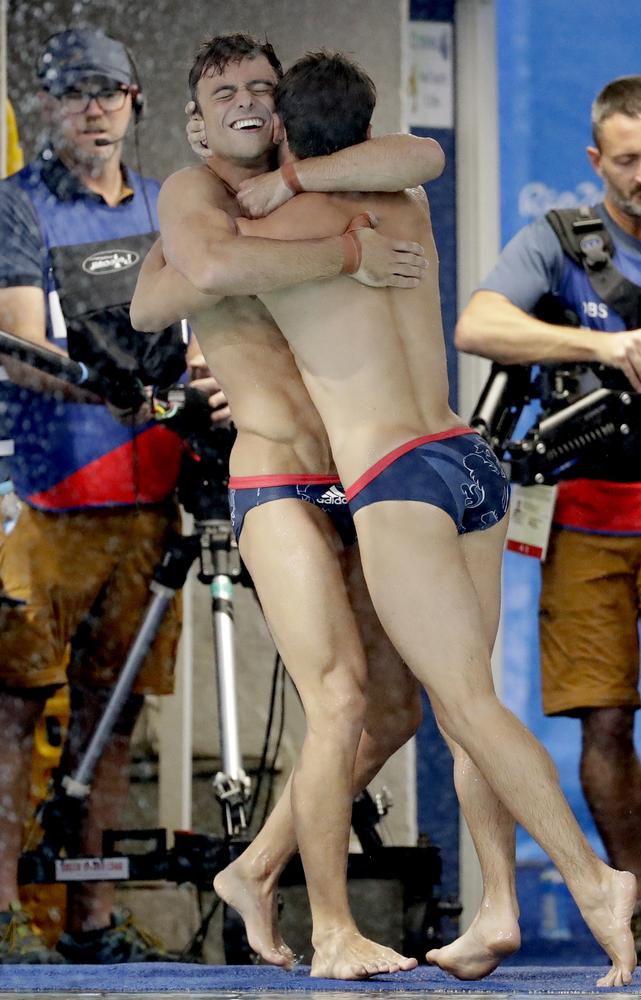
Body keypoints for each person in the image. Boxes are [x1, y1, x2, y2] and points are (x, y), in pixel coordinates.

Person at [150, 50, 638, 988]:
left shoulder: (275, 223)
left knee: (463, 706)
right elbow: (416, 159)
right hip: (470, 458)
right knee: (463, 707)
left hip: (393, 477)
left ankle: (589, 879)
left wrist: (275, 200)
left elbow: (178, 284)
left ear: (285, 128)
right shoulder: (398, 204)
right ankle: (496, 906)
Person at [130, 32, 492, 981]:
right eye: (225, 90)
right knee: (334, 700)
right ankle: (331, 928)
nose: (248, 100)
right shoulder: (191, 194)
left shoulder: (311, 176)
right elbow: (187, 283)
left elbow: (424, 156)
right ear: (195, 118)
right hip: (277, 477)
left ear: (284, 109)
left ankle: (252, 870)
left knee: (393, 710)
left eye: (263, 86)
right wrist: (344, 254)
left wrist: (306, 195)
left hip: (366, 479)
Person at [0, 28, 227, 964]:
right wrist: (130, 386)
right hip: (46, 500)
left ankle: (91, 920)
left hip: (147, 502)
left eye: (109, 92)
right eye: (73, 92)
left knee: (114, 716)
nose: (93, 107)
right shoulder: (17, 206)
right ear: (47, 106)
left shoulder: (167, 211)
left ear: (135, 102)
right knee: (14, 714)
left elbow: (201, 331)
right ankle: (8, 914)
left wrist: (207, 379)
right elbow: (20, 343)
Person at [455, 74, 641, 963]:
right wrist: (600, 343)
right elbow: (479, 325)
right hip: (583, 516)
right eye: (628, 159)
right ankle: (638, 903)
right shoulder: (561, 241)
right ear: (594, 161)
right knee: (601, 717)